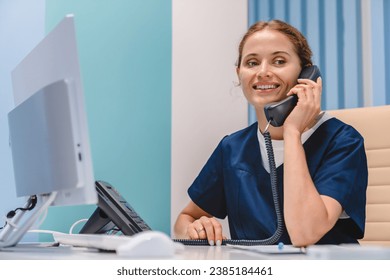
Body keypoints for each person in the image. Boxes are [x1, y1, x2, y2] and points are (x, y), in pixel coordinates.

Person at [173, 20, 368, 247]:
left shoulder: (342, 141)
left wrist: (292, 132)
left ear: (306, 73)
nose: (263, 72)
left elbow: (305, 233)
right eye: (252, 62)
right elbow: (185, 218)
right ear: (239, 73)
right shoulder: (233, 148)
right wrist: (195, 229)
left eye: (279, 61)